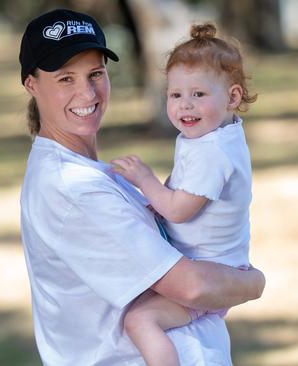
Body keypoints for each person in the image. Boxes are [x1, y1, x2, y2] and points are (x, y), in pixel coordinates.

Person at [18, 9, 265, 366]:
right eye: (65, 79)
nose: (87, 92)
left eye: (96, 74)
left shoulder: (90, 173)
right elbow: (192, 287)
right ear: (32, 84)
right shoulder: (71, 188)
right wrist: (254, 283)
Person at [111, 23, 257, 366]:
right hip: (213, 266)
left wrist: (145, 180)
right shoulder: (215, 134)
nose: (185, 106)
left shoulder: (213, 153)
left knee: (140, 320)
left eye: (198, 95)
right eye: (175, 95)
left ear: (232, 98)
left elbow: (179, 210)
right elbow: (184, 185)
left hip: (210, 276)